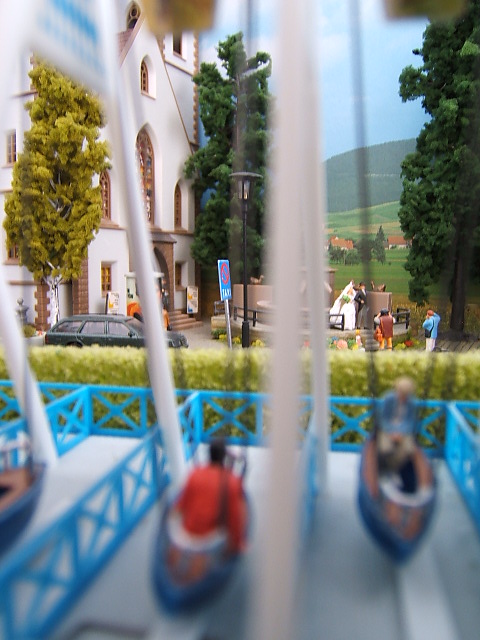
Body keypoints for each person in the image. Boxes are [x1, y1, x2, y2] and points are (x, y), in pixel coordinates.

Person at [174, 439, 247, 554]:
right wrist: (237, 543)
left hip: (188, 530)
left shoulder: (195, 473)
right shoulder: (232, 481)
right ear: (224, 457)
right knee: (241, 504)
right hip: (209, 537)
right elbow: (235, 516)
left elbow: (181, 506)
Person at [376, 377, 417, 492]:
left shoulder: (412, 403)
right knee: (384, 448)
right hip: (387, 430)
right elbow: (383, 418)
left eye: (406, 394)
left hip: (404, 432)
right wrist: (392, 432)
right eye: (401, 393)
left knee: (408, 450)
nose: (403, 396)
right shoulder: (388, 399)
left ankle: (394, 471)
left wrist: (401, 433)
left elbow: (410, 421)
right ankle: (384, 473)